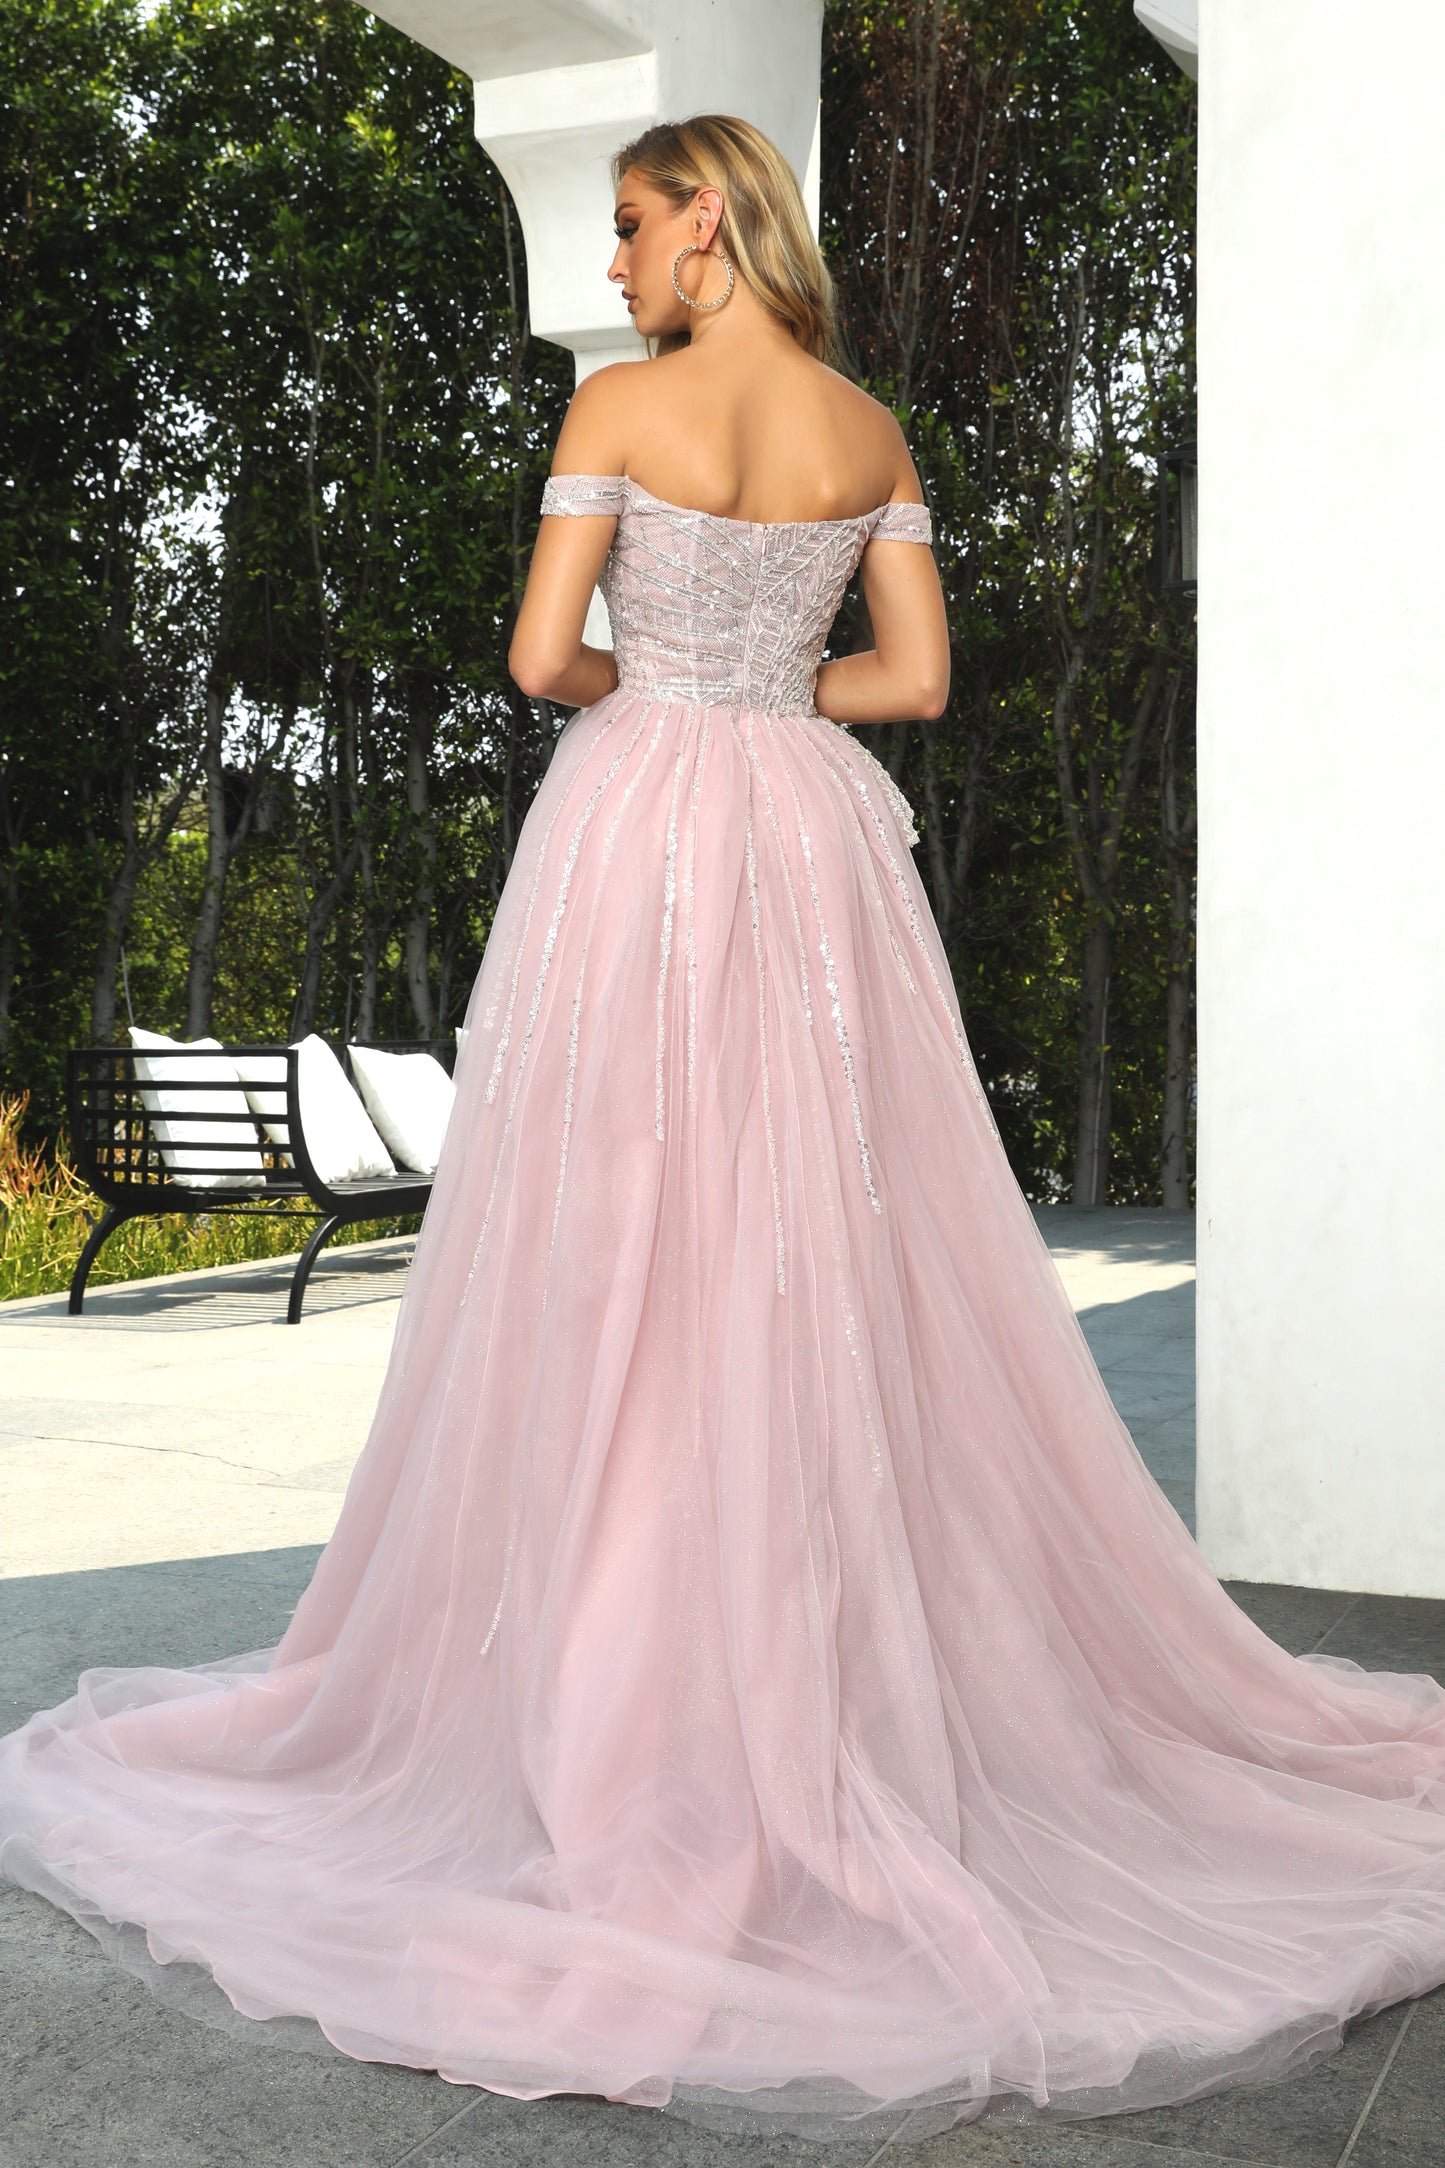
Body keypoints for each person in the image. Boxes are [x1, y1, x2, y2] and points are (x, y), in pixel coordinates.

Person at [3, 113, 1444, 2150]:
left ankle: (629, 1696)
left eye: (627, 222)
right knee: (808, 1243)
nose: (611, 261)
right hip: (807, 844)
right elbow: (915, 679)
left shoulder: (620, 406)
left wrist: (657, 690)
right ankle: (796, 1668)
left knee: (617, 1245)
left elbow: (538, 659)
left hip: (639, 829)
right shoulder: (869, 430)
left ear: (709, 215)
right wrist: (765, 696)